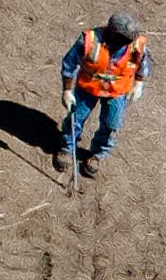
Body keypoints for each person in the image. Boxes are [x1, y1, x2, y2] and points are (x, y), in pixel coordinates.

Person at [60, 15, 146, 170]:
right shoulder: (89, 41)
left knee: (112, 123)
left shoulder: (135, 44)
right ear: (112, 34)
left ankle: (99, 154)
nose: (127, 44)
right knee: (76, 118)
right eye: (123, 40)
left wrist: (139, 83)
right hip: (88, 87)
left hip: (117, 90)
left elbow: (142, 61)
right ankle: (68, 147)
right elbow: (69, 63)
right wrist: (67, 90)